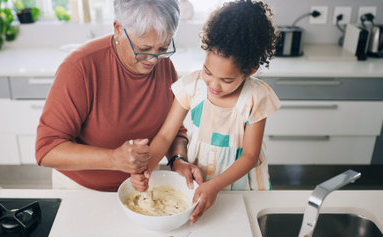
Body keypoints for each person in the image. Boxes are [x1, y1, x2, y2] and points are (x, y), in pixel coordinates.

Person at [131, 0, 281, 224]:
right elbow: (165, 135)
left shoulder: (255, 97)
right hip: (200, 183)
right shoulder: (191, 86)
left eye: (227, 80)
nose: (214, 85)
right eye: (208, 72)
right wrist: (145, 170)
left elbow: (250, 156)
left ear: (250, 71)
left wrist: (216, 185)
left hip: (240, 187)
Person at [35, 0, 201, 192]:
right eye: (144, 49)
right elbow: (47, 150)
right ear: (119, 28)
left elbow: (172, 130)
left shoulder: (164, 65)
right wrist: (113, 158)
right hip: (83, 191)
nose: (154, 60)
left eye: (163, 48)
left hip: (142, 187)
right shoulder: (79, 68)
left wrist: (177, 159)